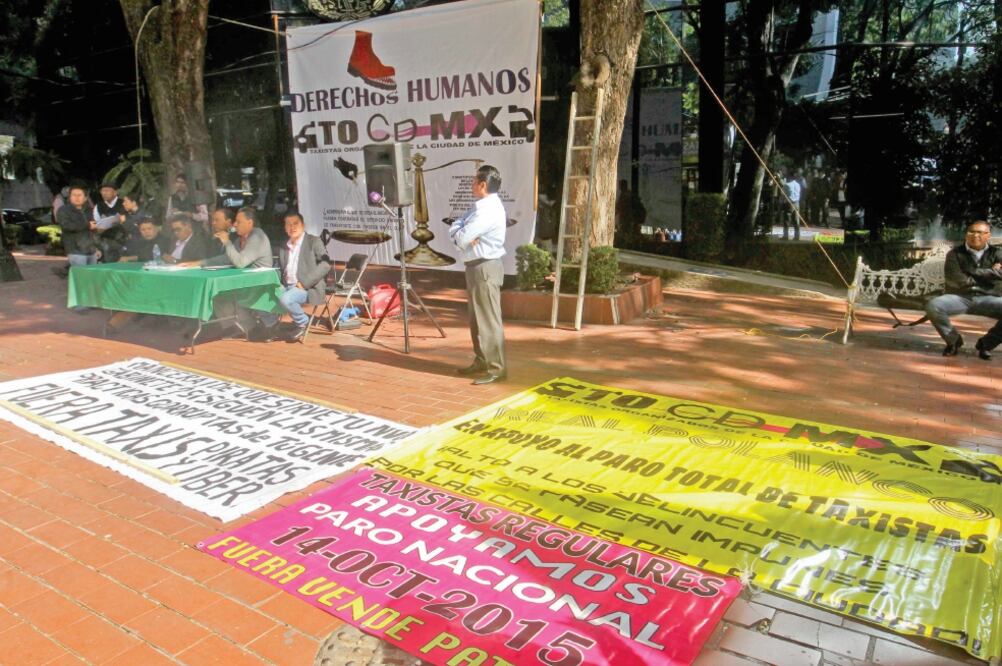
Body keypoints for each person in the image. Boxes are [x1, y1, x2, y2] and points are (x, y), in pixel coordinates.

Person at [450, 164, 507, 385]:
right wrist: (460, 232)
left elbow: (462, 237)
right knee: (477, 319)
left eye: (474, 181)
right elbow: (456, 225)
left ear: (483, 185)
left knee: (489, 320)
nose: (472, 185)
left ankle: (497, 368)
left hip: (485, 267)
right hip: (476, 266)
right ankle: (482, 359)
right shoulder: (480, 207)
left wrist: (460, 234)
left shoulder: (487, 210)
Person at [187, 206, 274, 336]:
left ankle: (263, 326)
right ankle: (241, 327)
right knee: (218, 294)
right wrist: (199, 263)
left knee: (231, 293)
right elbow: (226, 258)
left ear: (250, 223)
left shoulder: (257, 236)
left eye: (239, 222)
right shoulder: (240, 240)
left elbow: (240, 262)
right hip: (245, 281)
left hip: (261, 282)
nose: (235, 224)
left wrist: (227, 242)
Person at [925, 220, 1002, 360]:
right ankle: (953, 341)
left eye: (979, 232)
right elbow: (957, 281)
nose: (975, 235)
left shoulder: (997, 253)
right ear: (966, 234)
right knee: (934, 306)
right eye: (971, 232)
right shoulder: (954, 254)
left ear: (988, 235)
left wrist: (973, 272)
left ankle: (986, 345)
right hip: (960, 297)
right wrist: (991, 272)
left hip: (989, 298)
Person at [259, 211, 331, 342]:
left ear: (303, 225)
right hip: (285, 286)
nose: (292, 227)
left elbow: (325, 264)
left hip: (307, 287)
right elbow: (280, 268)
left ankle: (303, 322)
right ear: (285, 227)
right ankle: (272, 326)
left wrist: (304, 283)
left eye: (295, 223)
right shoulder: (284, 245)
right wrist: (276, 282)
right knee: (261, 297)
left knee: (286, 299)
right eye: (288, 224)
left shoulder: (313, 241)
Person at [57, 185, 99, 268]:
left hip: (91, 250)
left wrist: (97, 248)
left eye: (79, 195)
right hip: (75, 251)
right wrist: (87, 225)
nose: (76, 197)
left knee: (92, 277)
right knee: (81, 277)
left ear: (85, 198)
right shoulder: (63, 210)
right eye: (74, 195)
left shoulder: (89, 210)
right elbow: (66, 226)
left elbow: (94, 230)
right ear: (69, 197)